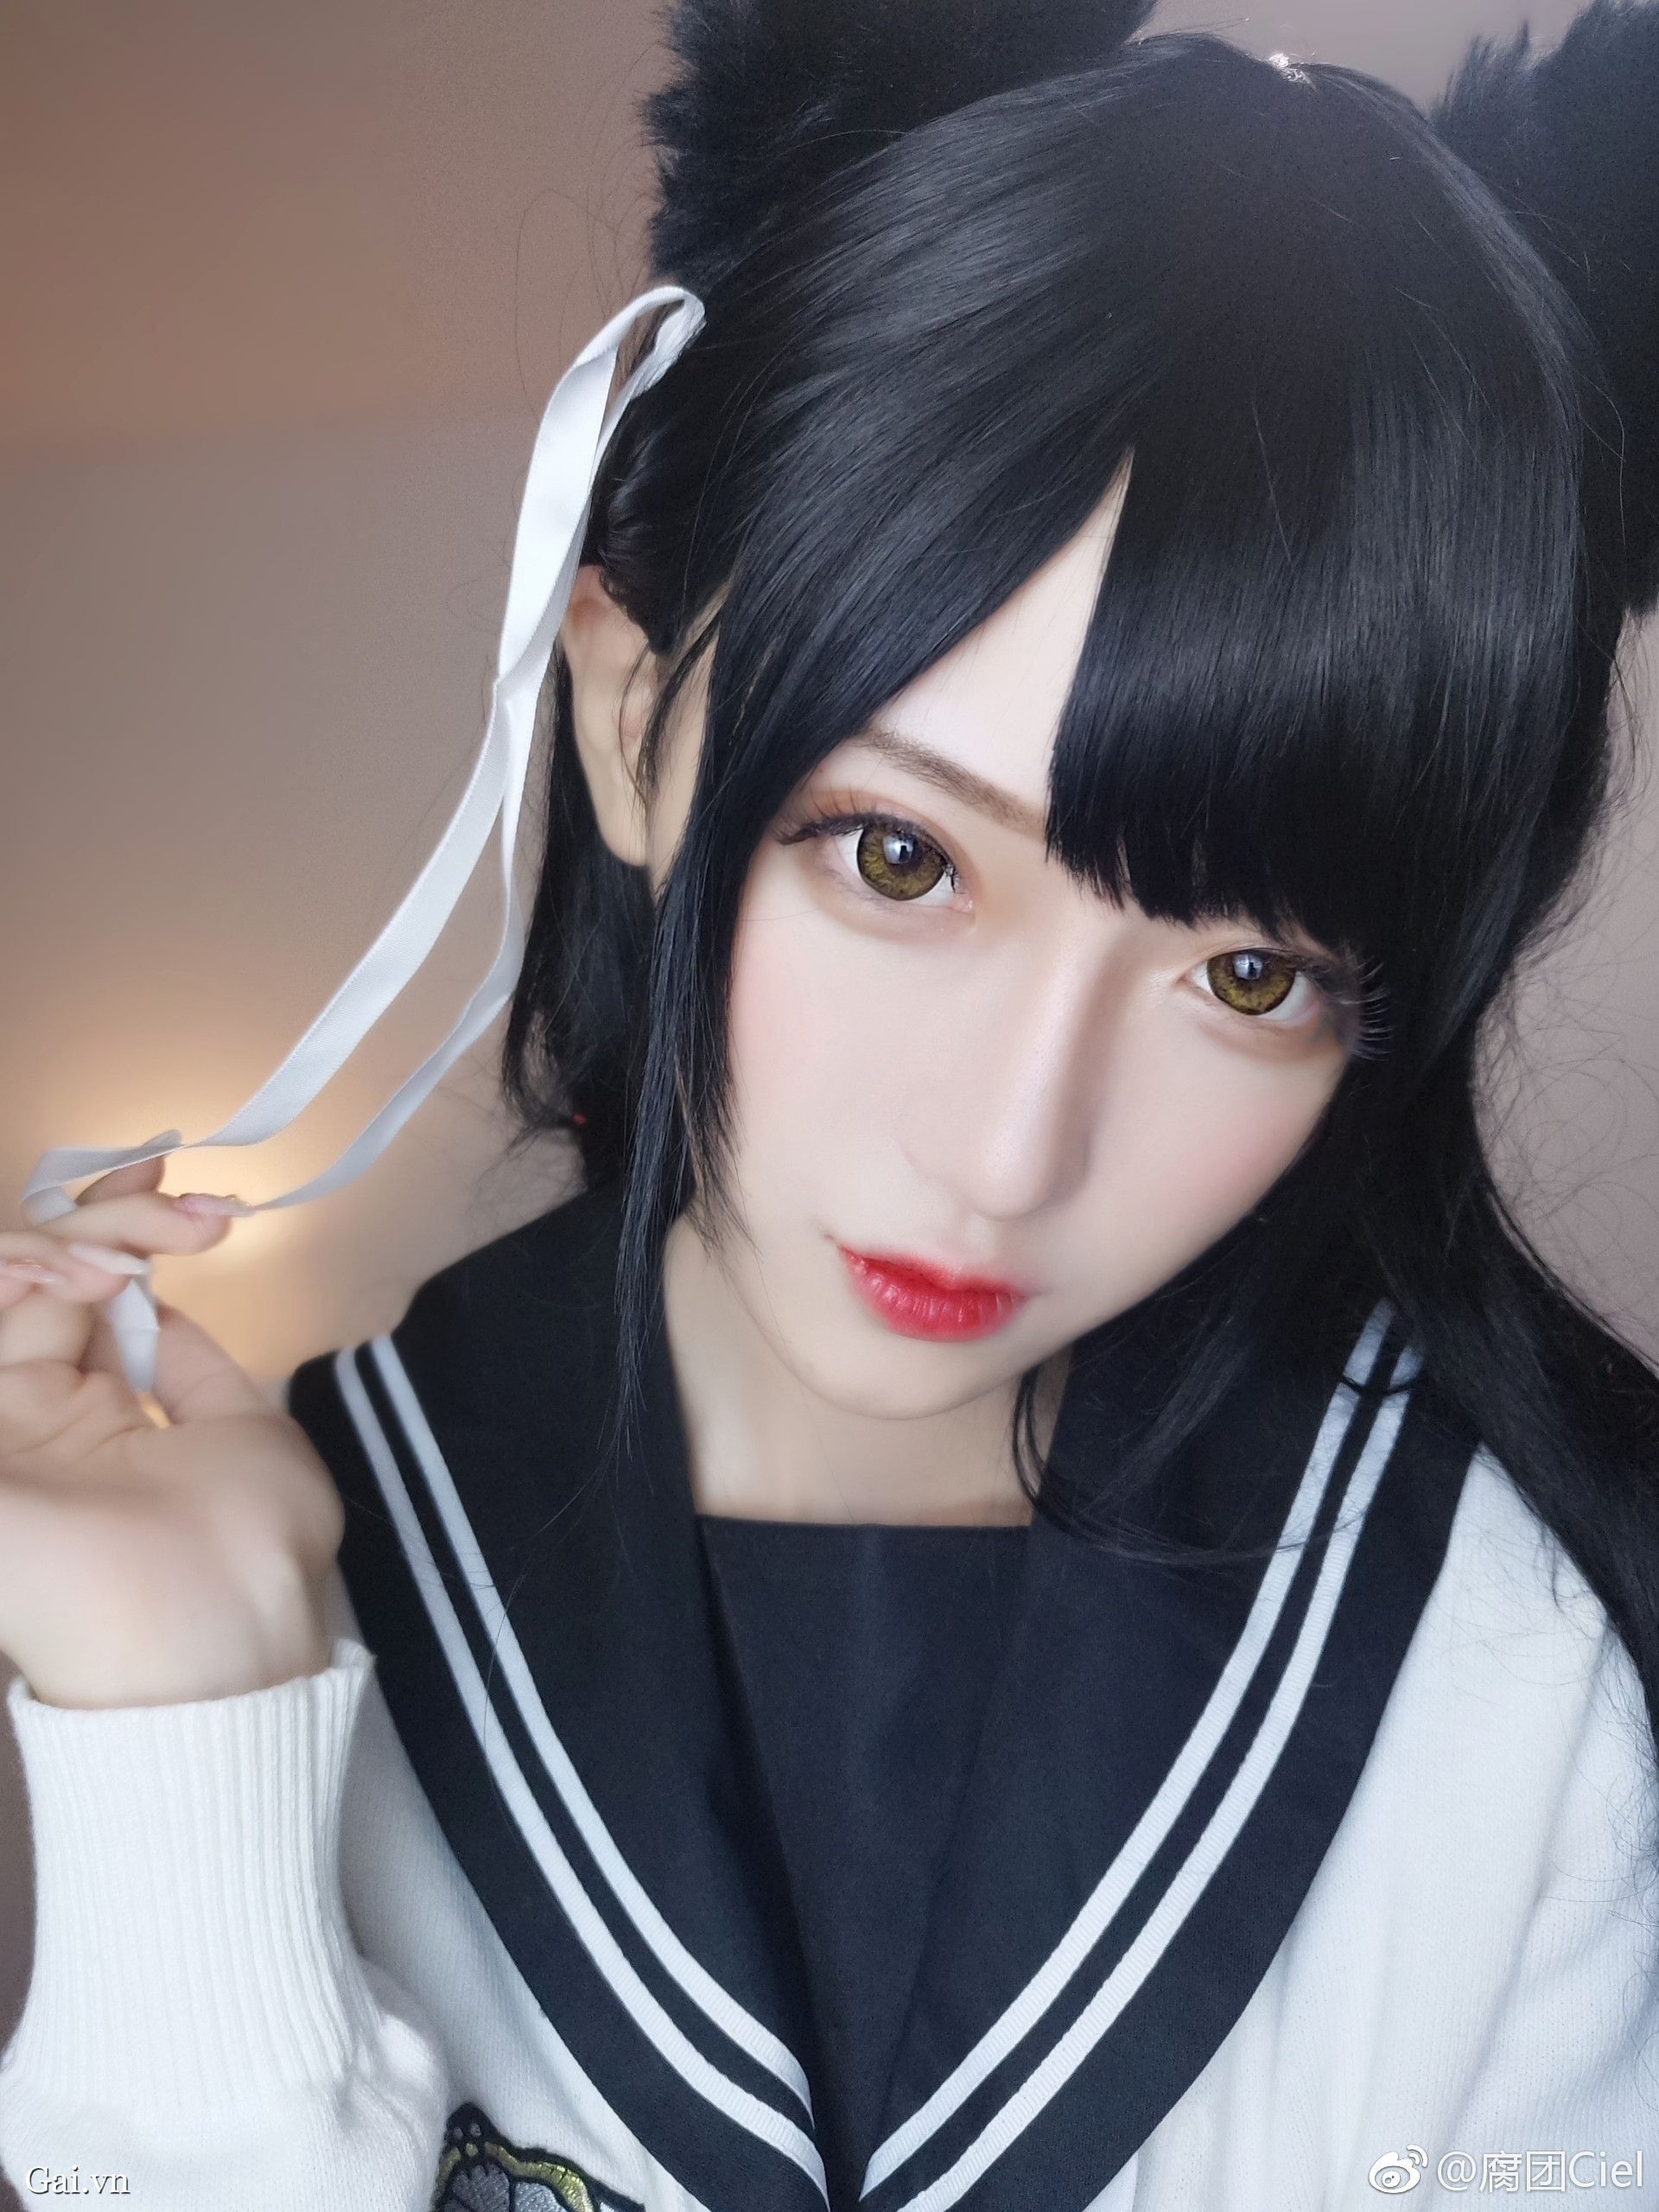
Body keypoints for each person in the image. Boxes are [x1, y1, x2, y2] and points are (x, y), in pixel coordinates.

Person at [3, 0, 1659, 2205]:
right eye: (899, 858)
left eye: (1246, 975)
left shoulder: (1509, 1668)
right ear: (631, 724)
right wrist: (181, 1721)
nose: (1004, 1151)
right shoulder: (302, 1559)